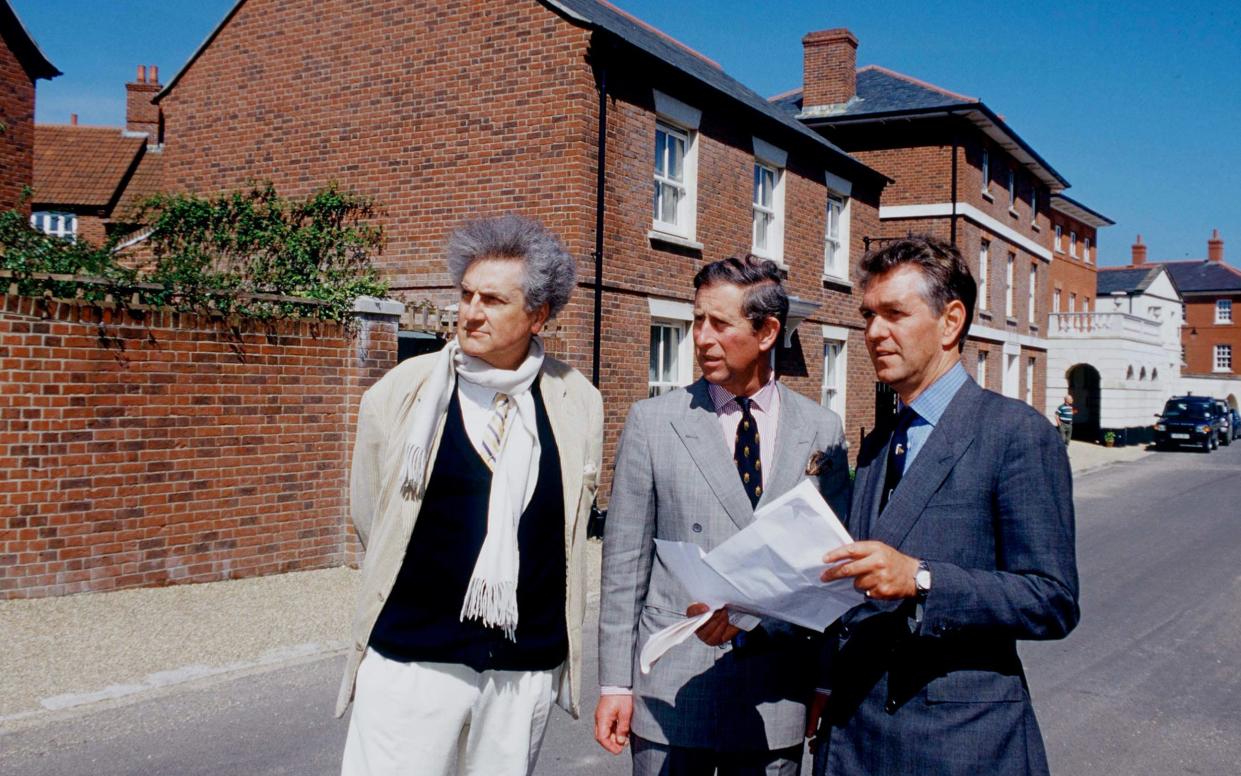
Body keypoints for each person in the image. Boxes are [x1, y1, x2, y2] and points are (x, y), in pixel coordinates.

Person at [336, 215, 603, 776]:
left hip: (521, 666)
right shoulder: (402, 392)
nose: (471, 312)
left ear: (538, 314)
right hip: (411, 657)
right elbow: (373, 515)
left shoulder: (576, 398)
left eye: (493, 300)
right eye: (466, 295)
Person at [811, 237, 1079, 776]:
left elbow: (1052, 599)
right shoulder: (881, 441)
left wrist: (922, 580)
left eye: (894, 314)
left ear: (951, 321)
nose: (873, 333)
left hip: (960, 745)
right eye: (868, 316)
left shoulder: (1016, 435)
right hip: (854, 739)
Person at [596, 255, 851, 775]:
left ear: (767, 332)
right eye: (696, 320)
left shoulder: (822, 430)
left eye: (720, 323)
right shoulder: (653, 422)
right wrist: (614, 684)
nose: (702, 338)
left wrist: (824, 681)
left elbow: (834, 575)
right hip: (672, 692)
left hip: (775, 693)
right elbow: (624, 566)